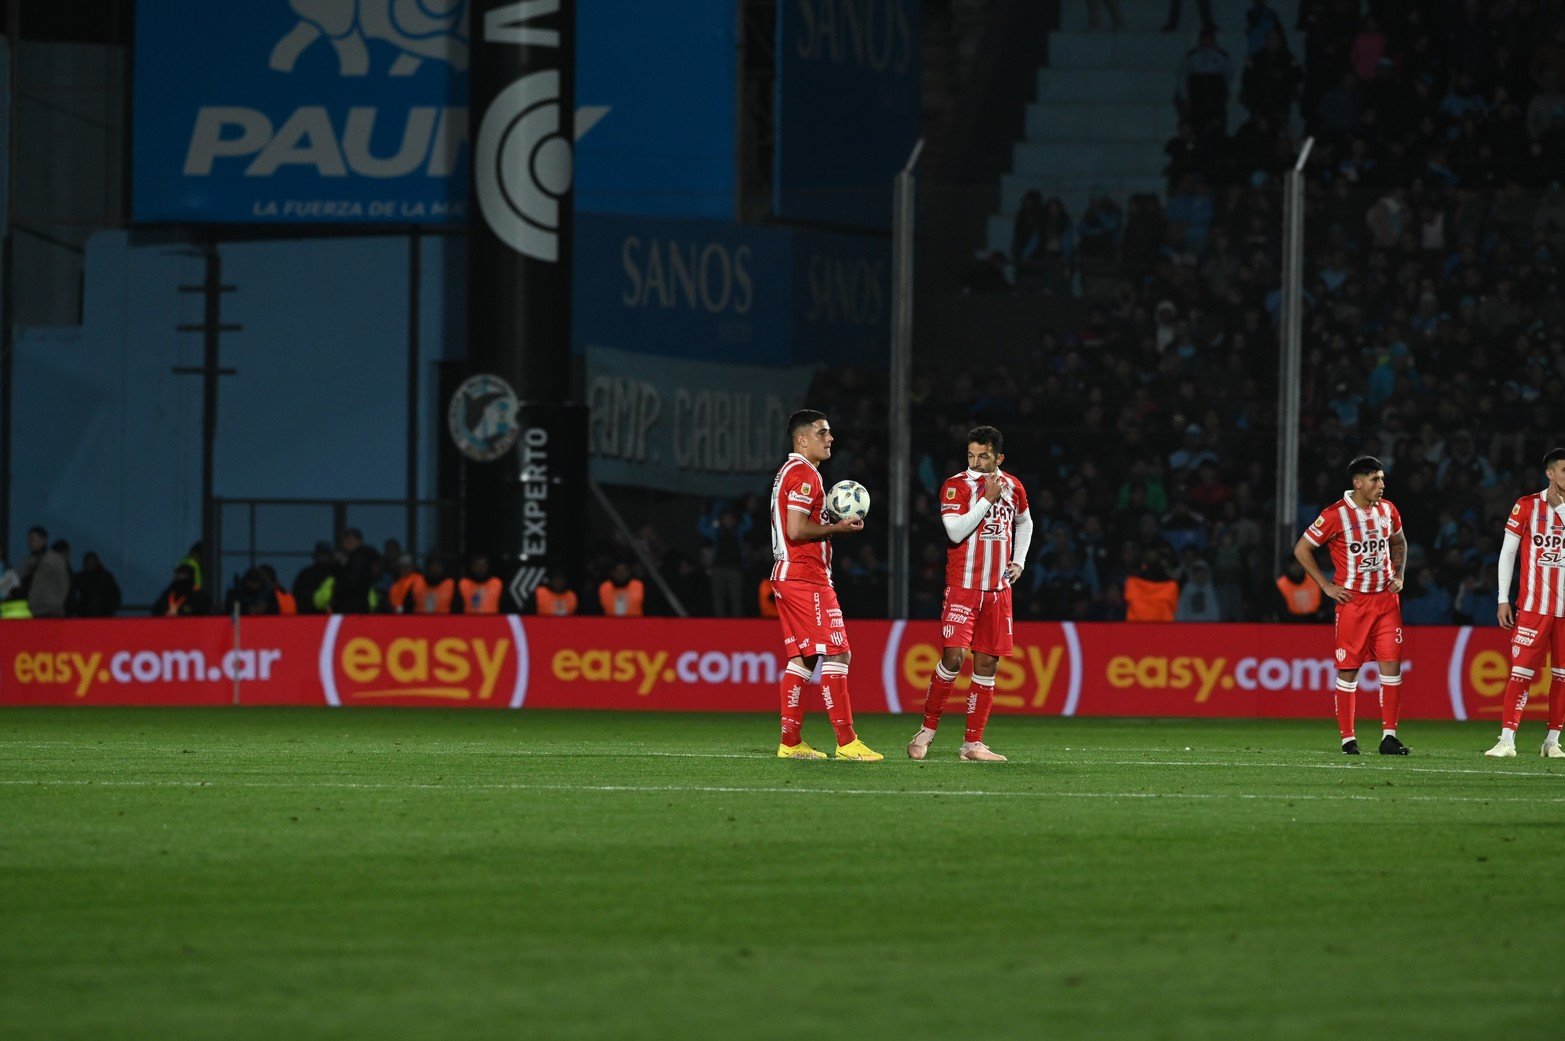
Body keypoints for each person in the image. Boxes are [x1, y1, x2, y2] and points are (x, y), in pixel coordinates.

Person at [907, 425, 1034, 763]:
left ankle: (972, 745)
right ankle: (926, 731)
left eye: (984, 456)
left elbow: (1026, 522)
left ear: (999, 457)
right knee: (953, 658)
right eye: (971, 456)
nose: (976, 462)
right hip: (963, 587)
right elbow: (955, 530)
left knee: (987, 663)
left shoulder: (1013, 486)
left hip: (997, 590)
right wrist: (986, 499)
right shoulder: (955, 486)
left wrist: (1019, 561)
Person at [769, 408, 881, 761]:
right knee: (838, 652)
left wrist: (828, 520)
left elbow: (798, 525)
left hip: (791, 574)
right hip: (805, 577)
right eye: (822, 433)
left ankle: (790, 742)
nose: (830, 438)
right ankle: (847, 743)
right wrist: (836, 527)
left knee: (804, 659)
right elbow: (796, 530)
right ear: (802, 439)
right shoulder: (804, 474)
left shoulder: (793, 472)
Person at [1293, 456, 1409, 756]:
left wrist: (1399, 574)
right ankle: (1348, 739)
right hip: (1353, 603)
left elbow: (1399, 542)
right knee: (1348, 669)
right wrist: (1325, 586)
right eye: (1375, 479)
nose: (1381, 485)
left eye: (1382, 479)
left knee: (1392, 667)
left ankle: (1389, 737)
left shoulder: (1388, 509)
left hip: (1386, 601)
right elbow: (1302, 549)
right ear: (1357, 483)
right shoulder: (1335, 515)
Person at [1486, 449, 1565, 758]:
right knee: (1520, 674)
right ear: (1550, 474)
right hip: (1534, 607)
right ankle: (1507, 740)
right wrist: (1503, 598)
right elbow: (1508, 553)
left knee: (1561, 676)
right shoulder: (1527, 506)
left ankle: (1552, 741)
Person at [331, 529, 379, 613]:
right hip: (346, 605)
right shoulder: (347, 559)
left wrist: (345, 563)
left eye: (350, 540)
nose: (347, 543)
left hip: (354, 606)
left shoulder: (362, 557)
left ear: (359, 541)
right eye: (345, 540)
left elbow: (354, 581)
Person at [69, 551, 122, 617]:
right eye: (88, 562)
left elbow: (114, 595)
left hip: (102, 615)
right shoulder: (80, 577)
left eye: (92, 561)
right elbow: (72, 594)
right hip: (85, 615)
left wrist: (109, 611)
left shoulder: (106, 577)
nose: (90, 564)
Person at [293, 541, 334, 614]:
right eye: (320, 554)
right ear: (315, 556)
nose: (323, 557)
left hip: (332, 617)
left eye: (325, 554)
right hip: (310, 616)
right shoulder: (305, 574)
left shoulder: (336, 573)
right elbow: (297, 596)